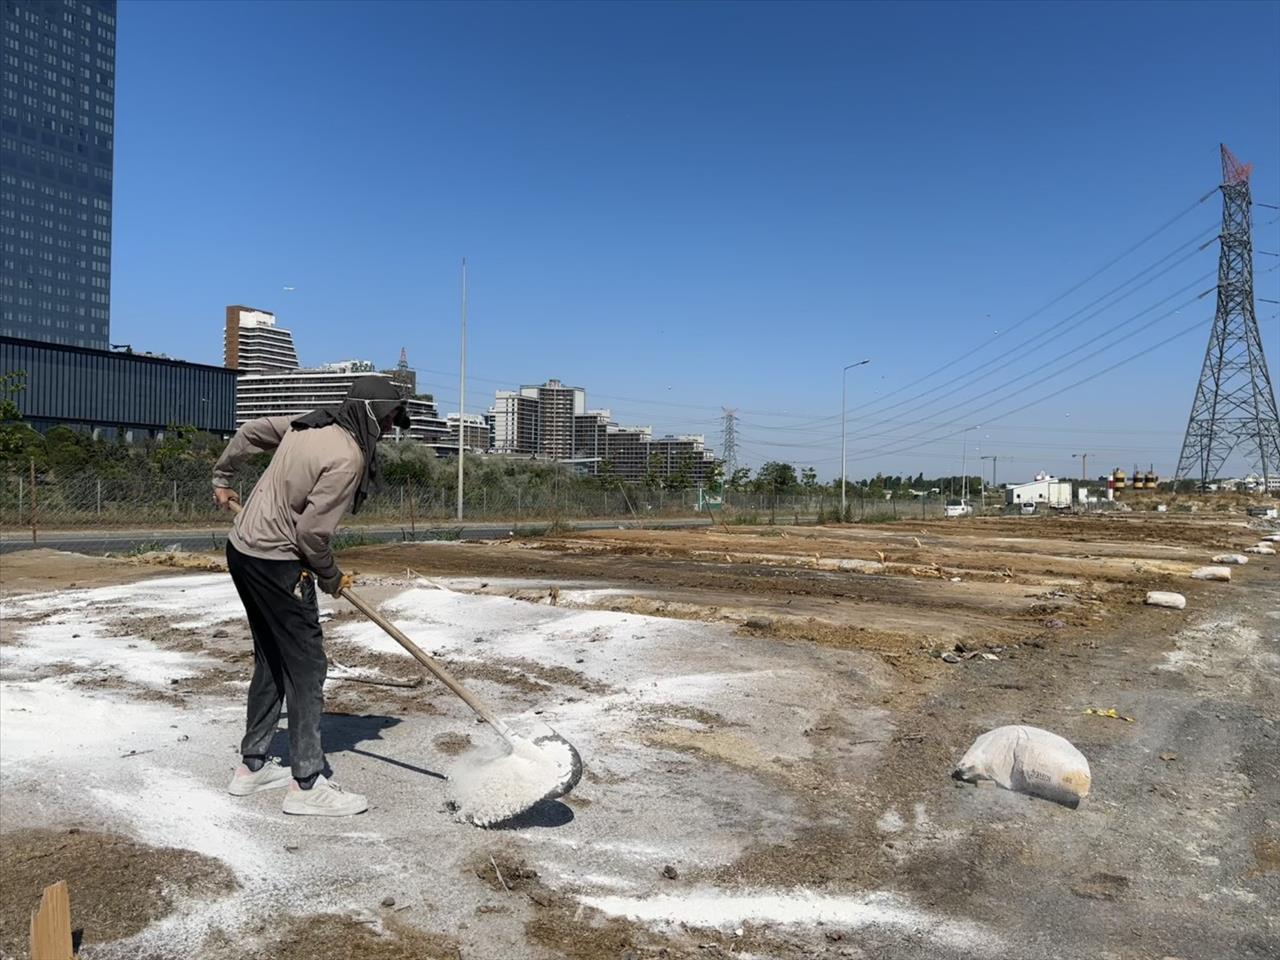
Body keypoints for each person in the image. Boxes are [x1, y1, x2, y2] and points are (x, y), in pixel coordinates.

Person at [211, 376, 409, 816]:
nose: (393, 429)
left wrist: (222, 476)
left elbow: (247, 433)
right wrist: (330, 576)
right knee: (307, 666)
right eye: (392, 418)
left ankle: (252, 766)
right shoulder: (347, 457)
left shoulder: (307, 426)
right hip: (279, 564)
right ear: (375, 414)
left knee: (272, 657)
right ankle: (306, 785)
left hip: (242, 551)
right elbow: (312, 535)